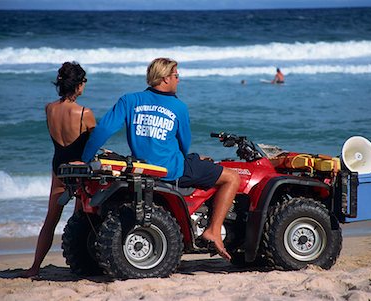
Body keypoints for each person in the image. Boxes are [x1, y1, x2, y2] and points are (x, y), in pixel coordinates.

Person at [81, 58, 240, 261]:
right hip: (173, 169)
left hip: (144, 166)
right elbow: (184, 144)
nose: (178, 80)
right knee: (232, 177)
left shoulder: (129, 100)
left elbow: (103, 129)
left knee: (196, 159)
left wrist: (85, 159)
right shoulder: (178, 107)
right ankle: (214, 230)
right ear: (165, 78)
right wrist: (189, 157)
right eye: (176, 76)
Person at [23, 62, 96, 277]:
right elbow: (93, 144)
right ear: (78, 85)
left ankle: (35, 267)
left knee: (51, 219)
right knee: (80, 218)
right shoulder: (85, 113)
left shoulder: (49, 109)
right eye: (83, 82)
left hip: (59, 167)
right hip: (79, 171)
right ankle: (81, 262)